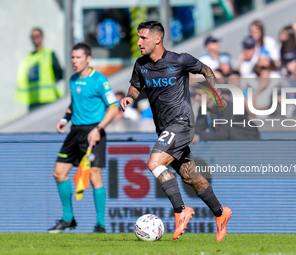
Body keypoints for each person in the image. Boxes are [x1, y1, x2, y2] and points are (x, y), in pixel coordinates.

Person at [120, 21, 231, 241]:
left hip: (181, 123)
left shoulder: (180, 60)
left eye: (143, 38)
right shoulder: (141, 65)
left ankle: (181, 210)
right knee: (191, 177)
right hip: (164, 128)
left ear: (157, 39)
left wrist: (216, 94)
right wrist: (129, 97)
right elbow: (136, 85)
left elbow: (206, 70)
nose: (139, 42)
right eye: (138, 37)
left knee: (154, 163)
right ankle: (220, 213)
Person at [48, 43, 119, 233]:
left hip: (93, 132)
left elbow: (114, 107)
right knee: (58, 173)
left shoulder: (100, 80)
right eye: (72, 58)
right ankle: (68, 218)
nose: (74, 61)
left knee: (94, 176)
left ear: (88, 59)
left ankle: (100, 224)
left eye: (78, 57)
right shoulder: (72, 80)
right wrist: (65, 118)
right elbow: (74, 103)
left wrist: (98, 129)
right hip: (75, 132)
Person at [16, 27, 64, 111]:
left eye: (37, 36)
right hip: (33, 100)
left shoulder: (49, 54)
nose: (35, 39)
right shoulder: (28, 58)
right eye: (32, 37)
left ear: (42, 37)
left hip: (48, 99)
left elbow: (60, 73)